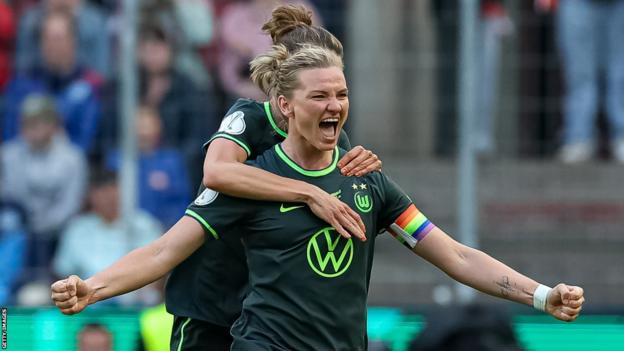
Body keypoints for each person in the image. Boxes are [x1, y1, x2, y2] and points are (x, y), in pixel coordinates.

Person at [52, 44, 584, 350]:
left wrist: (540, 295)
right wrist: (92, 289)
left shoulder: (366, 180)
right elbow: (164, 251)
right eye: (320, 95)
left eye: (342, 94)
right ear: (284, 105)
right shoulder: (252, 180)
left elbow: (455, 255)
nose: (335, 105)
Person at [57, 5, 380, 350]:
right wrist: (307, 193)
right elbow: (214, 176)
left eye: (338, 89)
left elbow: (385, 210)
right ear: (289, 84)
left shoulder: (332, 141)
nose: (331, 99)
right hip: (211, 307)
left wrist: (361, 167)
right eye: (319, 88)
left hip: (269, 319)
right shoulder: (249, 119)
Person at [0, 94, 86, 281]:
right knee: (9, 222)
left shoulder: (72, 158)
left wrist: (42, 226)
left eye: (39, 123)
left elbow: (70, 204)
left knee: (74, 229)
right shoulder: (8, 154)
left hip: (57, 234)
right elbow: (10, 195)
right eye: (28, 123)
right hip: (18, 229)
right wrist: (28, 225)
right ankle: (6, 290)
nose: (32, 129)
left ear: (53, 125)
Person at [52, 169, 162, 306]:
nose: (108, 196)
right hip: (87, 307)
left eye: (113, 188)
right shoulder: (76, 229)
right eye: (101, 191)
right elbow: (64, 273)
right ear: (91, 196)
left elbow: (157, 269)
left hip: (135, 306)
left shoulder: (144, 225)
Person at [3, 10, 103, 154]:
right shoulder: (20, 85)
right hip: (24, 169)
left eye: (58, 38)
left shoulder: (91, 86)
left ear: (73, 41)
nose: (52, 45)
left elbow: (88, 143)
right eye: (46, 38)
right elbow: (10, 140)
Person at [106, 106, 191, 228]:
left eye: (147, 127)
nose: (143, 133)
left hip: (163, 230)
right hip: (122, 228)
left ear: (158, 129)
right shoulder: (117, 159)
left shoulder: (172, 161)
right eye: (138, 127)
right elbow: (106, 197)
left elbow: (181, 200)